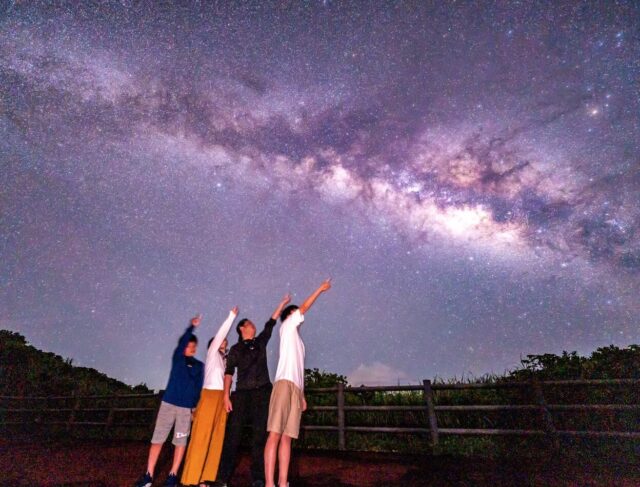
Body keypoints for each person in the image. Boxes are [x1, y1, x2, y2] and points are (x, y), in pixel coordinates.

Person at [214, 295, 292, 487]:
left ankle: (258, 478)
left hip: (262, 394)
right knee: (233, 436)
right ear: (242, 328)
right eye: (249, 323)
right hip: (241, 395)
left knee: (260, 436)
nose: (253, 325)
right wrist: (226, 396)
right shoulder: (235, 349)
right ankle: (223, 478)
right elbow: (229, 372)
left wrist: (281, 304)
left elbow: (271, 323)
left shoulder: (260, 342)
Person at [264, 279, 332, 487]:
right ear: (290, 315)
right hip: (283, 384)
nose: (300, 315)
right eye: (295, 313)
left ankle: (283, 482)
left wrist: (301, 395)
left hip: (294, 388)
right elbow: (303, 307)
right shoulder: (286, 326)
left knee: (287, 438)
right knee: (275, 434)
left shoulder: (299, 343)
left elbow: (299, 371)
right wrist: (319, 289)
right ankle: (269, 483)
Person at [135, 315, 204, 487]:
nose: (190, 348)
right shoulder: (178, 359)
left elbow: (198, 387)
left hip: (185, 409)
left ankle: (172, 476)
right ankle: (148, 475)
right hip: (168, 404)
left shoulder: (199, 366)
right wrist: (191, 328)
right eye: (187, 345)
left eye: (192, 346)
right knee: (158, 439)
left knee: (180, 442)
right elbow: (181, 343)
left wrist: (194, 407)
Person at [181, 307, 239, 487]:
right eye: (221, 341)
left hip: (222, 399)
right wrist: (231, 317)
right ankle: (190, 478)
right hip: (209, 396)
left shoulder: (225, 360)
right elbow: (221, 334)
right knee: (202, 436)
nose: (224, 342)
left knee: (216, 438)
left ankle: (206, 479)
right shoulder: (213, 353)